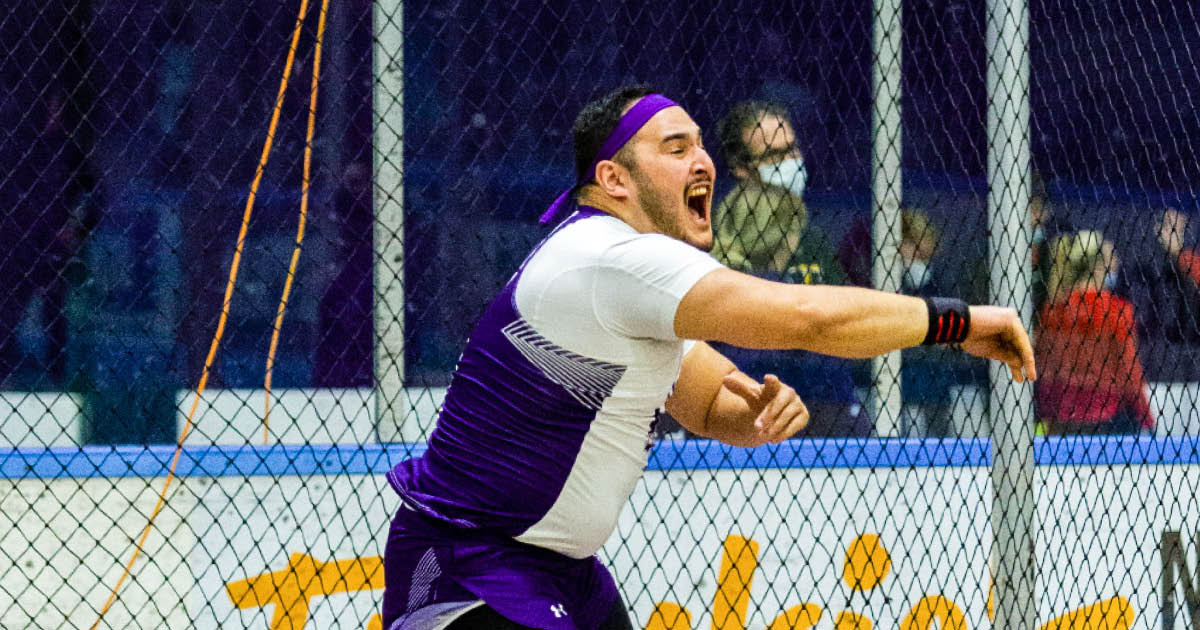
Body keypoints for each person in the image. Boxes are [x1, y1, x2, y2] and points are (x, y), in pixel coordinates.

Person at [380, 86, 1036, 630]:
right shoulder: (611, 258)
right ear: (613, 178)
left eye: (700, 144)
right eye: (675, 148)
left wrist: (749, 416)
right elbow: (806, 319)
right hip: (470, 567)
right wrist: (959, 321)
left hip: (560, 571)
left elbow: (704, 403)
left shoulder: (625, 272)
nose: (703, 162)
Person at [710, 100, 872, 437]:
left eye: (792, 149)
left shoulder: (811, 238)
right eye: (773, 155)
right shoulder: (716, 237)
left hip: (824, 408)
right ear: (742, 167)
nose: (789, 162)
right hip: (744, 408)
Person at [1035, 230, 1152, 434]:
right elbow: (1130, 375)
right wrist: (1146, 418)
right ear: (1099, 267)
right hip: (1107, 425)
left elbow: (1043, 373)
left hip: (1060, 425)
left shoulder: (1052, 312)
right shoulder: (1115, 311)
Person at [1118, 207, 1200, 346]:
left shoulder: (1190, 260)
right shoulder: (1134, 252)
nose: (1169, 230)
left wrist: (1176, 254)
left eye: (1175, 224)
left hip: (1185, 345)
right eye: (1165, 223)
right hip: (1150, 341)